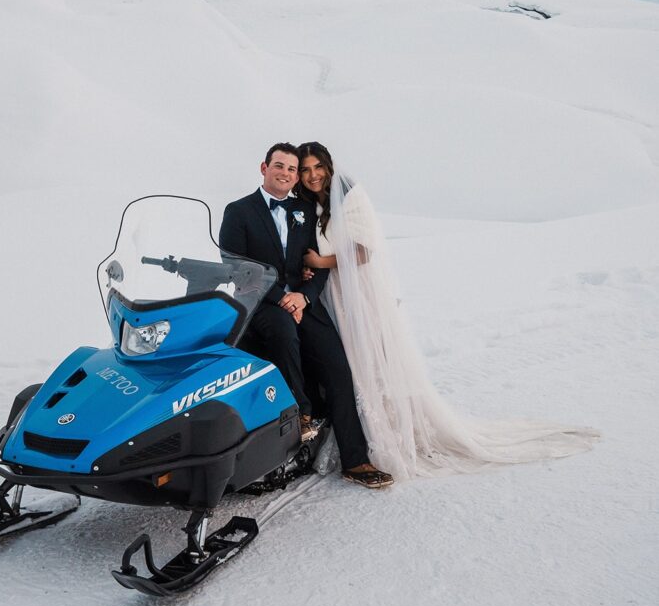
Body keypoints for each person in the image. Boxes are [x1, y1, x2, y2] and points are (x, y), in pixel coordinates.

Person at [296, 141, 600, 481]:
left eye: (318, 167)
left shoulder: (349, 195)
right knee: (350, 367)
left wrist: (321, 262)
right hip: (331, 297)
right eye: (306, 170)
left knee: (370, 362)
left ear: (329, 165)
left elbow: (365, 250)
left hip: (358, 296)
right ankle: (358, 436)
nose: (312, 175)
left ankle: (389, 436)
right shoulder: (312, 206)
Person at [219, 142, 393, 489]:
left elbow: (321, 260)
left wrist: (303, 296)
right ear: (263, 167)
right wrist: (282, 299)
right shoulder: (238, 211)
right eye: (279, 166)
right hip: (261, 305)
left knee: (338, 366)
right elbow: (235, 266)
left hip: (303, 301)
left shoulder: (305, 210)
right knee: (283, 334)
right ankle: (303, 413)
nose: (286, 174)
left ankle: (356, 460)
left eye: (292, 169)